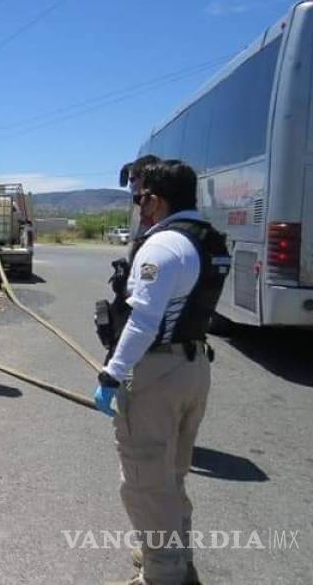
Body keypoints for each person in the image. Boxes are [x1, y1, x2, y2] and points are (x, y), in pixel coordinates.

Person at [94, 161, 228, 585]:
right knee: (169, 475)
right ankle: (175, 561)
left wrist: (113, 374)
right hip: (193, 367)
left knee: (146, 483)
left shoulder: (162, 246)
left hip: (155, 372)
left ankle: (162, 575)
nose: (138, 205)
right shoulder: (206, 240)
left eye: (139, 197)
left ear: (155, 199)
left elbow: (143, 321)